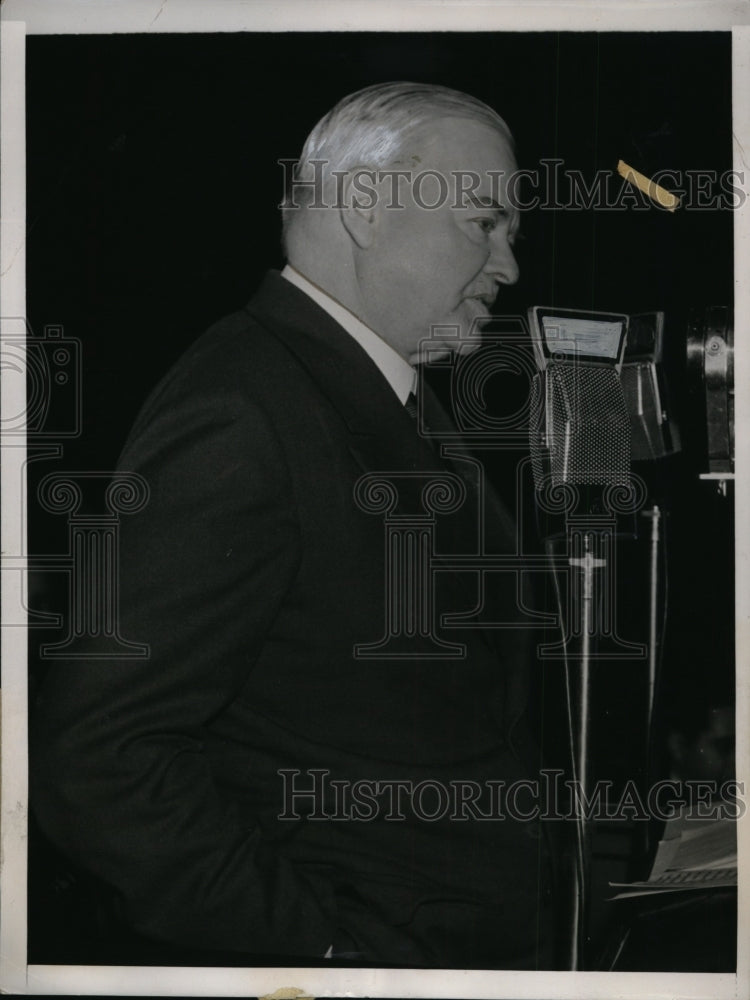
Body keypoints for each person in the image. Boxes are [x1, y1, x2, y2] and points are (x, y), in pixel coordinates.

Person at [31, 82, 558, 969]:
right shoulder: (245, 409)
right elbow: (101, 757)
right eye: (484, 223)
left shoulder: (367, 390)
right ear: (363, 206)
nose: (509, 266)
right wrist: (318, 956)